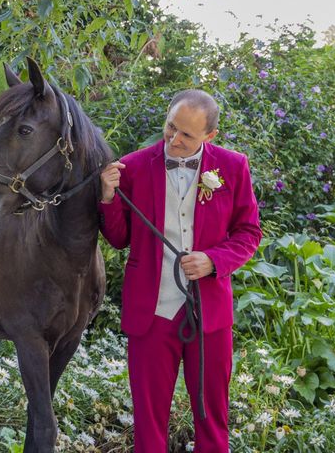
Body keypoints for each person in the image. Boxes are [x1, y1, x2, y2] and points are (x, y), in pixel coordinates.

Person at [99, 90, 262, 452]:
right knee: (149, 419)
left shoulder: (233, 167)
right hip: (151, 313)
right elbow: (119, 238)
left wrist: (214, 260)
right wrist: (108, 198)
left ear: (210, 136)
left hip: (210, 317)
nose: (173, 140)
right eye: (170, 127)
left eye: (186, 135)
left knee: (212, 416)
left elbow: (249, 232)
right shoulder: (135, 166)